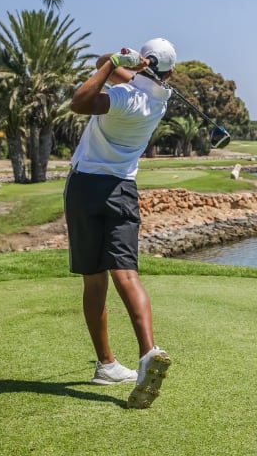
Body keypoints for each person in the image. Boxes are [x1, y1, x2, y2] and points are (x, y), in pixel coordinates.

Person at [65, 37, 177, 408]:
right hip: (122, 190)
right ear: (170, 72)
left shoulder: (125, 97)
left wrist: (115, 59)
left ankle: (106, 363)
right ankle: (147, 352)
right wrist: (117, 61)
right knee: (126, 274)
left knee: (94, 279)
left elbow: (80, 101)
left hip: (84, 188)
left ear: (145, 63)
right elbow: (108, 67)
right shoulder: (160, 98)